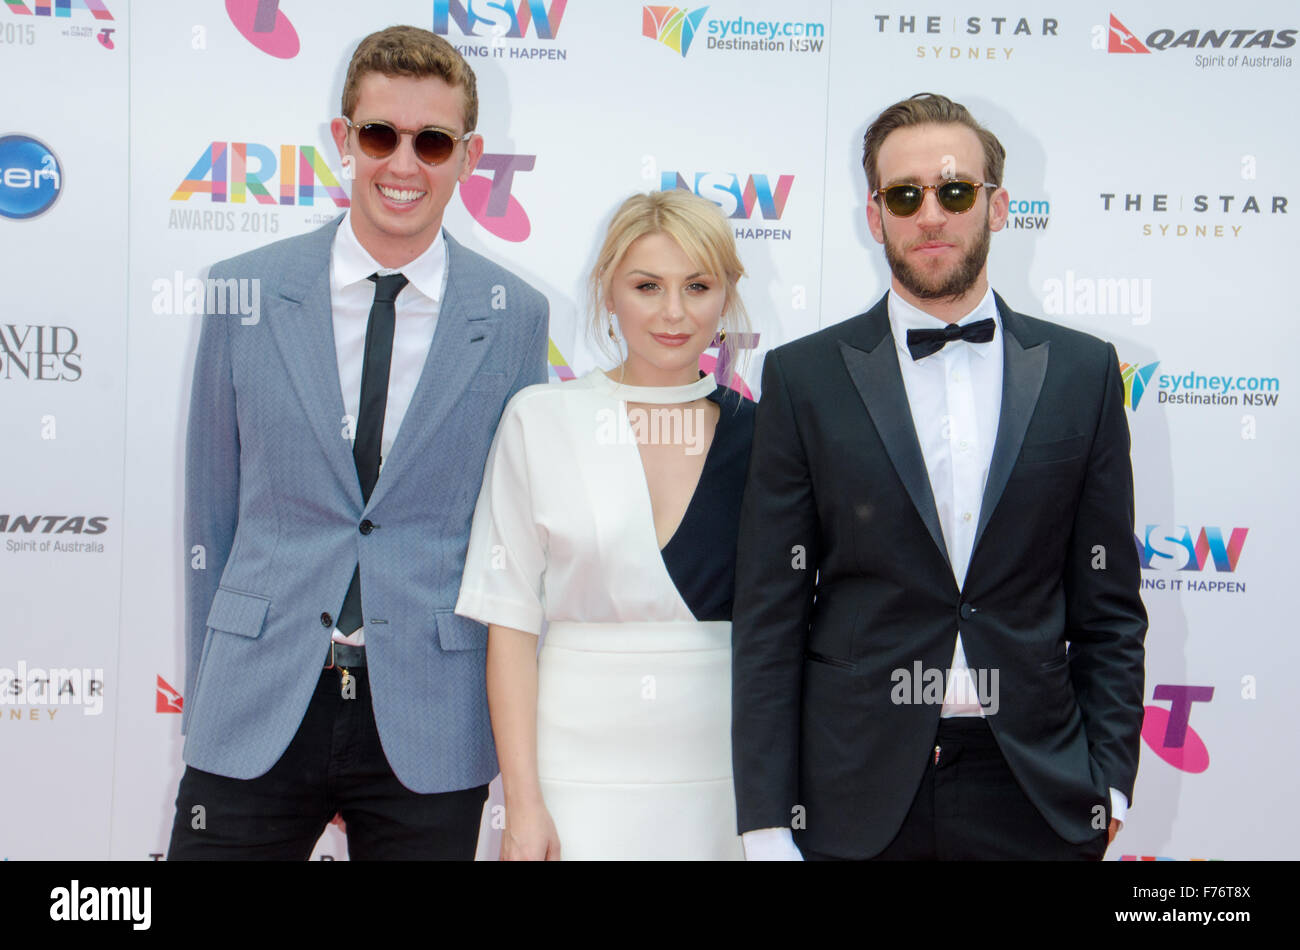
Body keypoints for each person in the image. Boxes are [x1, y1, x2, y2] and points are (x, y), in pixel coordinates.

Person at [732, 93, 1147, 861]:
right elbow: (770, 615)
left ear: (997, 206)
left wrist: (1109, 780)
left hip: (1036, 789)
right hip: (851, 788)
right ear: (874, 213)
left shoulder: (1082, 372)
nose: (931, 215)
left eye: (955, 191)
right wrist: (764, 816)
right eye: (905, 194)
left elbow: (1111, 608)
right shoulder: (803, 377)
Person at [168, 26, 549, 860]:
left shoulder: (515, 315)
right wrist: (209, 693)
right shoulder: (247, 291)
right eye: (380, 134)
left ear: (469, 155)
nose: (402, 165)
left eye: (432, 141)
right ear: (344, 139)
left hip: (430, 712)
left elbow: (513, 535)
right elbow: (211, 516)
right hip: (256, 697)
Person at [455, 190, 755, 860]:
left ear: (726, 295)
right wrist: (523, 807)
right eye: (647, 286)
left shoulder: (767, 438)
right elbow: (509, 628)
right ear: (608, 291)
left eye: (698, 286)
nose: (674, 312)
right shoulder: (541, 419)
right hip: (569, 774)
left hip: (721, 775)